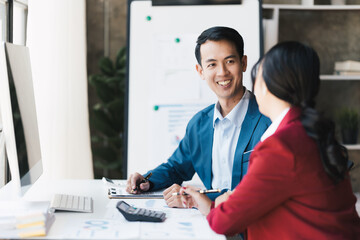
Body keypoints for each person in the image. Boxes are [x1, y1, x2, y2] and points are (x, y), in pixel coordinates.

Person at [181, 41, 360, 238]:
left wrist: (224, 203)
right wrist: (214, 204)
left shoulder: (280, 147)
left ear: (265, 85)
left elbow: (223, 223)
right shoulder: (307, 132)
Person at [126, 26, 271, 207]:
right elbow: (176, 168)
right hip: (212, 226)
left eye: (230, 61)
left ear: (243, 63)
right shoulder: (199, 124)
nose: (222, 72)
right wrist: (147, 180)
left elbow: (263, 191)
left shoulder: (268, 119)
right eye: (212, 64)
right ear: (201, 71)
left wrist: (197, 198)